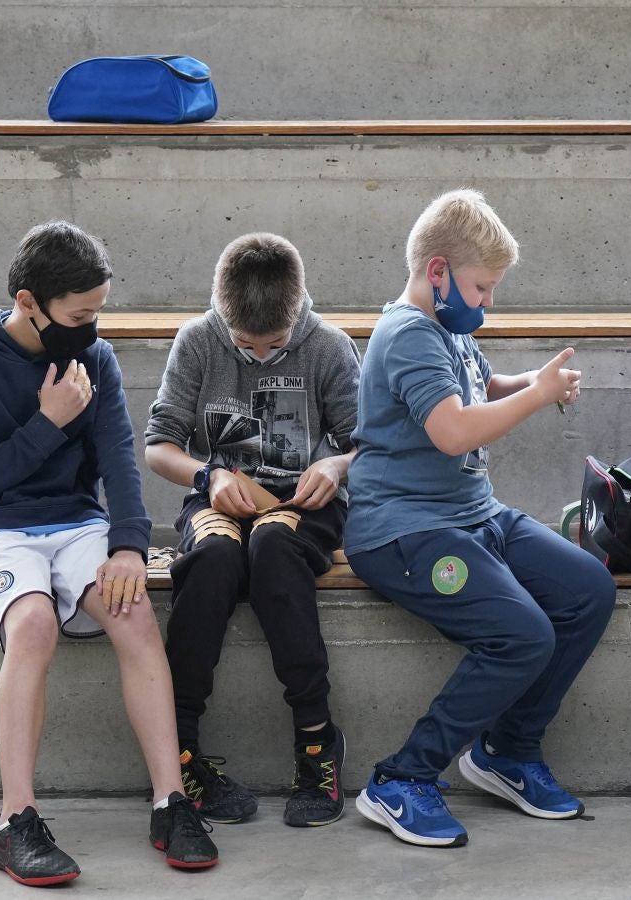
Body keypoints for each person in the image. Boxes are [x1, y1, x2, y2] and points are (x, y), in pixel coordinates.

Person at [0, 221, 218, 884]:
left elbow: (120, 457)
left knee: (135, 612)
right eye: (79, 314)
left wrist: (127, 546)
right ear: (29, 302)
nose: (91, 328)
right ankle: (15, 820)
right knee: (31, 625)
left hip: (74, 523)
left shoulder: (96, 358)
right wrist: (47, 423)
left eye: (100, 312)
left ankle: (170, 802)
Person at [345, 189, 617, 848]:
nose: (488, 301)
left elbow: (479, 389)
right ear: (438, 271)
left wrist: (532, 382)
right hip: (403, 530)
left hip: (473, 514)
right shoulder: (407, 334)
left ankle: (508, 752)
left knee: (588, 590)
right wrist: (539, 398)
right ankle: (401, 779)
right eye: (483, 287)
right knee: (522, 633)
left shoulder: (447, 329)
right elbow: (452, 429)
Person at [145, 232, 360, 828]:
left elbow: (372, 446)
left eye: (276, 343)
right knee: (211, 559)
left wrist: (336, 464)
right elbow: (159, 447)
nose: (261, 354)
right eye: (245, 345)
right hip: (218, 493)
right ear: (222, 318)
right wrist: (208, 476)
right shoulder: (197, 342)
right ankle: (180, 744)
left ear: (298, 313)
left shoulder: (329, 347)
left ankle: (317, 741)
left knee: (272, 549)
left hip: (305, 503)